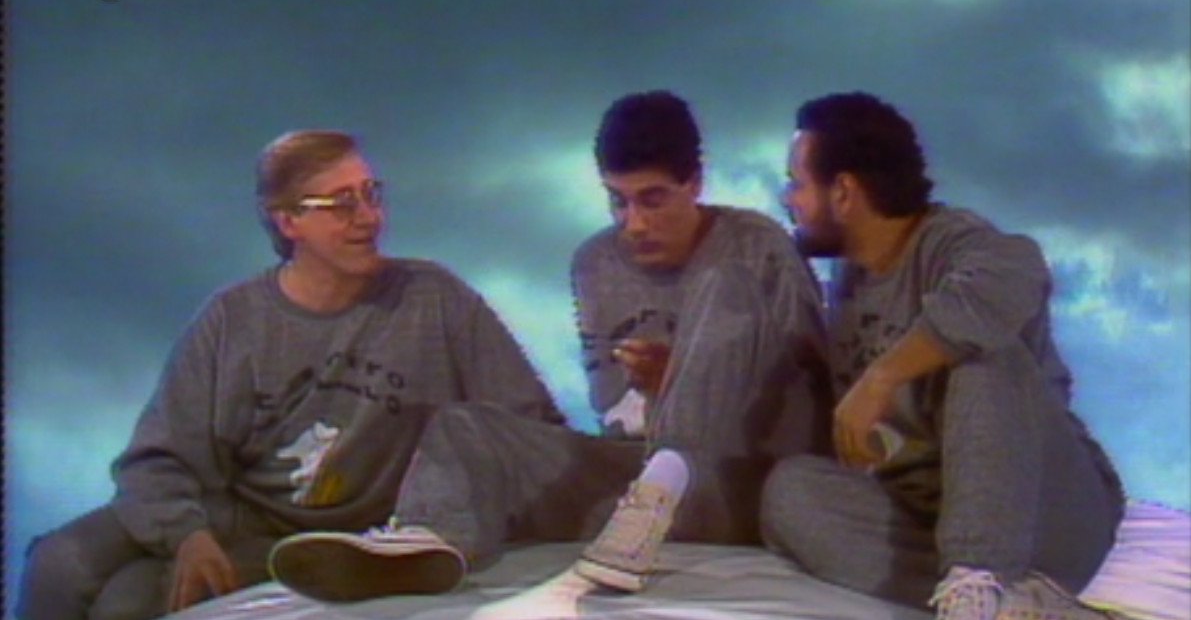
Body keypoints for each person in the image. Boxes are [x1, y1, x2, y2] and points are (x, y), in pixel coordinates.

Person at [266, 90, 831, 603]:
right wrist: (657, 397)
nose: (634, 223)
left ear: (695, 183)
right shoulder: (596, 263)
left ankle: (657, 497)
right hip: (635, 491)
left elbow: (810, 407)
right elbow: (617, 415)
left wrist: (689, 380)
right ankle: (426, 544)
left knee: (726, 286)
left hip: (742, 483)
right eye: (618, 201)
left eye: (653, 200)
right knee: (466, 425)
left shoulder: (757, 245)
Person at [14, 130, 567, 620]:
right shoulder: (232, 319)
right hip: (231, 515)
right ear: (288, 221)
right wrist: (187, 535)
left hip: (335, 540)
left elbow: (529, 426)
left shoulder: (434, 298)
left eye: (372, 194)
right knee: (58, 565)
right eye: (342, 204)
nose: (369, 218)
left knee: (125, 604)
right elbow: (157, 458)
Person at [760, 92, 1126, 620]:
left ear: (843, 192)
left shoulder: (952, 241)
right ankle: (1011, 604)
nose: (788, 199)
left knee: (982, 355)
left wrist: (882, 377)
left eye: (796, 182)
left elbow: (1019, 269)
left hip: (1046, 511)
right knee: (790, 491)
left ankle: (980, 578)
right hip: (934, 514)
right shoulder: (849, 280)